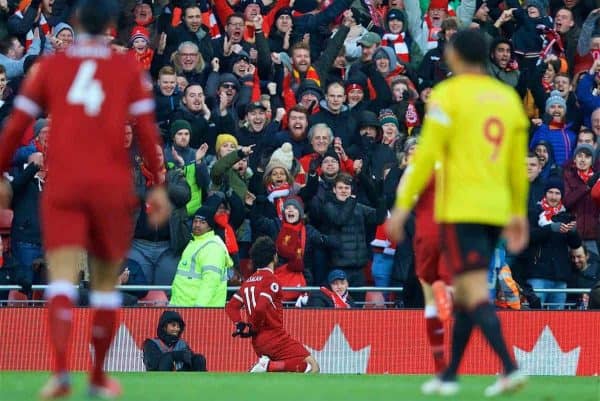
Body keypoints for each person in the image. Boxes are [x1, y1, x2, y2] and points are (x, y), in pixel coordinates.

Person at [0, 1, 171, 398]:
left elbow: (16, 126)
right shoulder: (127, 68)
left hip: (64, 183)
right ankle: (96, 376)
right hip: (110, 185)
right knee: (106, 285)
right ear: (111, 25)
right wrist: (159, 184)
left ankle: (60, 374)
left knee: (61, 281)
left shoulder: (51, 67)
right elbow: (147, 132)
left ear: (75, 23)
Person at [387, 29, 529, 396]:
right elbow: (517, 163)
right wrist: (517, 212)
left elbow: (427, 155)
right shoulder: (507, 97)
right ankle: (449, 375)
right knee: (466, 293)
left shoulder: (449, 95)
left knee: (474, 291)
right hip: (495, 210)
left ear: (454, 56)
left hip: (462, 208)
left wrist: (403, 207)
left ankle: (510, 368)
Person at [225, 236, 320, 373]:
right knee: (312, 367)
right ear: (274, 256)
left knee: (284, 373)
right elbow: (260, 308)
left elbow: (231, 307)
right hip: (274, 337)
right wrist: (254, 327)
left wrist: (240, 324)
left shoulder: (248, 282)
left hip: (257, 342)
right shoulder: (271, 280)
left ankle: (268, 367)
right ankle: (267, 366)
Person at [169, 205, 233, 307]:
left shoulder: (212, 247)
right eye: (195, 221)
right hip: (183, 307)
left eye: (202, 222)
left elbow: (210, 282)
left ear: (210, 226)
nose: (197, 225)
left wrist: (199, 308)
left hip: (199, 312)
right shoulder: (193, 243)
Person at [143, 310, 207, 372]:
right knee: (167, 360)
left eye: (179, 327)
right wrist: (175, 355)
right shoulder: (151, 344)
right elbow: (154, 366)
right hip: (160, 379)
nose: (177, 329)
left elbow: (190, 361)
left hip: (182, 378)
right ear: (164, 327)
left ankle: (202, 382)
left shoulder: (182, 344)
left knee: (199, 359)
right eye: (173, 325)